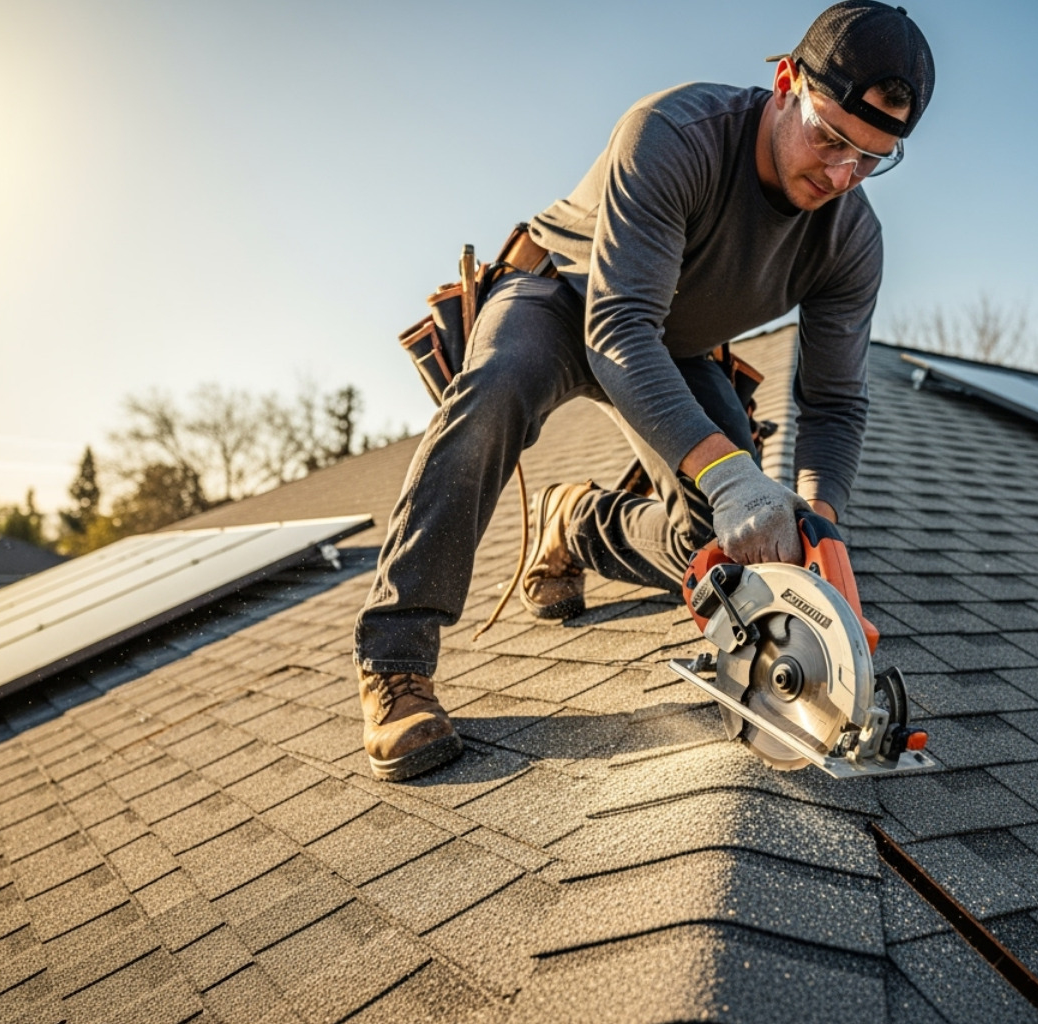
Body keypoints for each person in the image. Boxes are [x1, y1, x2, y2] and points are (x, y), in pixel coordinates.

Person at [354, 1, 934, 781]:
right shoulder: (675, 133)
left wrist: (816, 527)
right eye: (831, 137)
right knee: (495, 389)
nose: (841, 175)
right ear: (785, 81)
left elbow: (833, 403)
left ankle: (578, 524)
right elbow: (617, 328)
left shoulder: (852, 240)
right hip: (564, 298)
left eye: (871, 159)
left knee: (728, 558)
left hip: (673, 346)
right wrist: (730, 474)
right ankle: (395, 660)